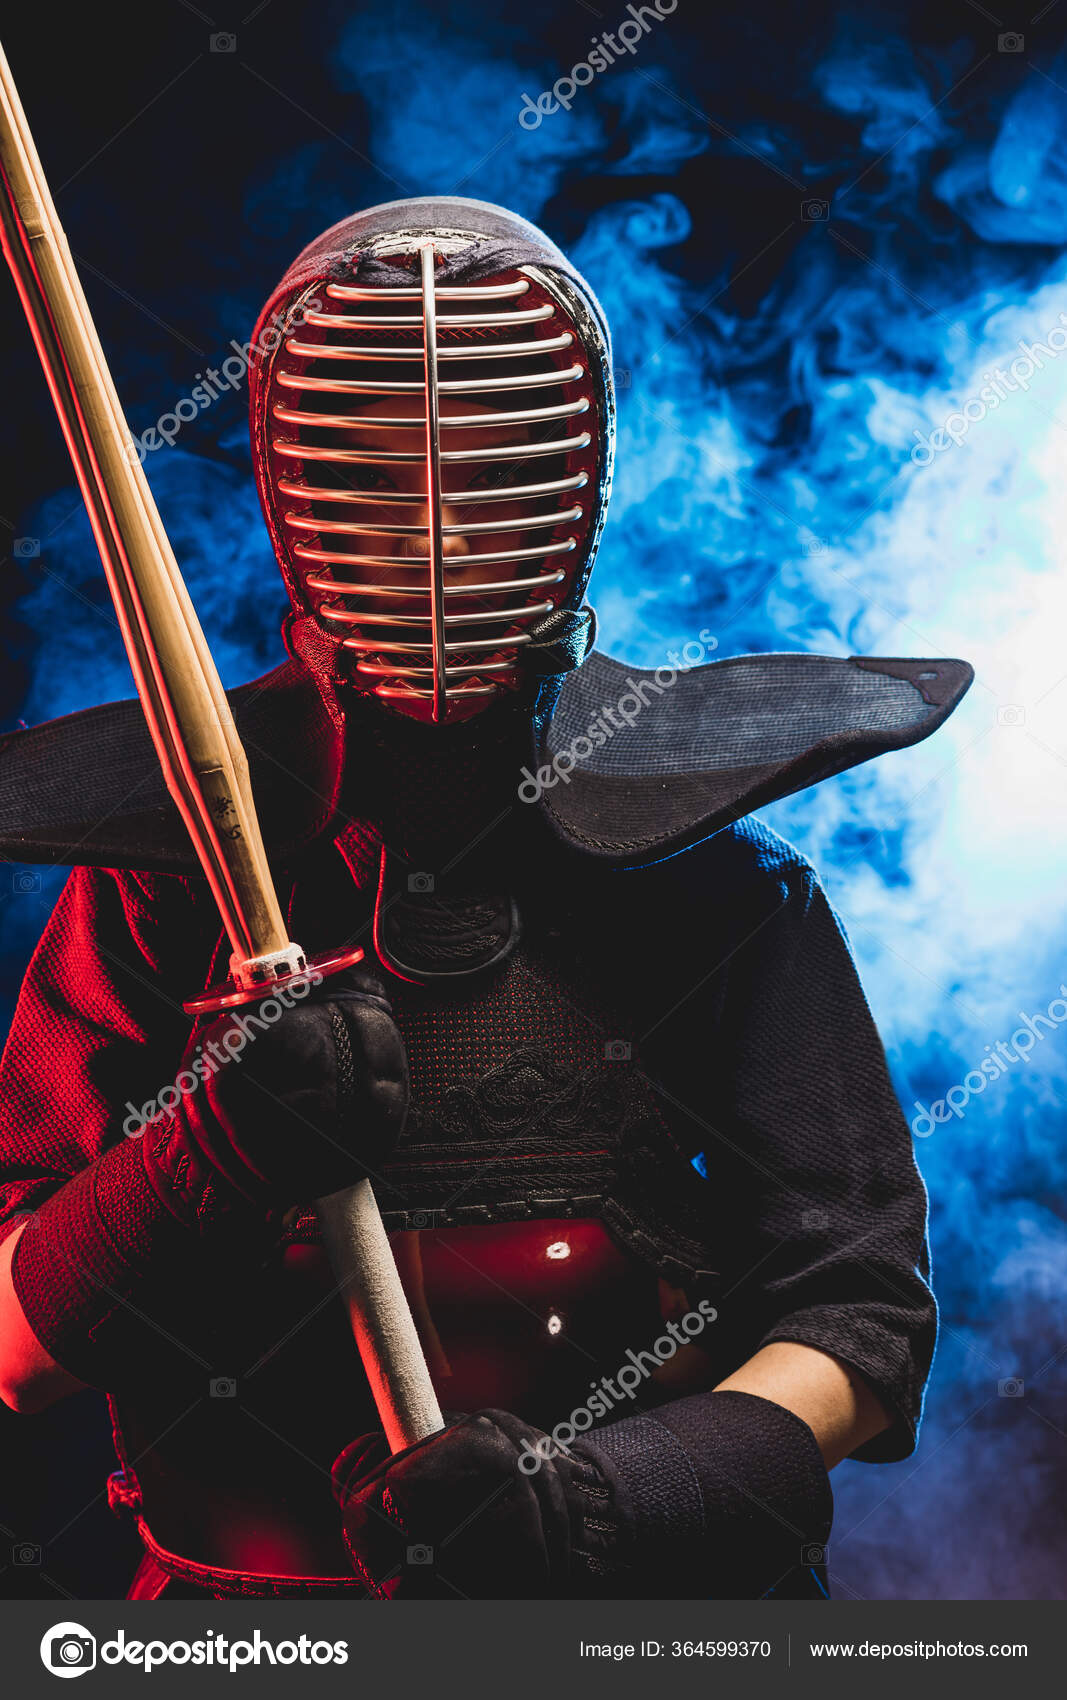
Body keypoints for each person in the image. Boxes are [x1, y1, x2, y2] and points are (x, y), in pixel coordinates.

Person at [0, 197, 971, 1601]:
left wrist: (604, 1503)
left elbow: (862, 1328)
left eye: (485, 465)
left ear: (569, 481)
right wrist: (204, 1155)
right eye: (382, 475)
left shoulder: (709, 881)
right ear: (298, 484)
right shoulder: (169, 881)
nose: (440, 527)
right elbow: (15, 1353)